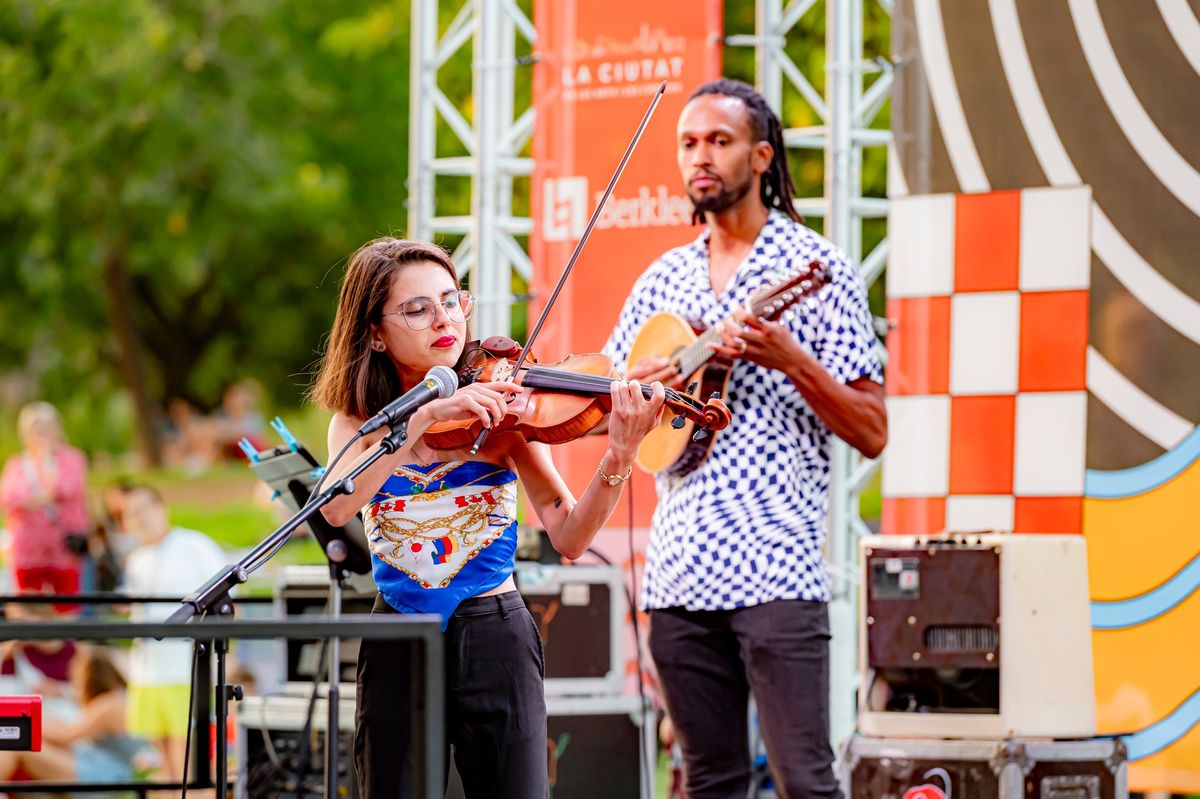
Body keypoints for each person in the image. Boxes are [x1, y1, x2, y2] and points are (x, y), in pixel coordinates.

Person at [602, 78, 888, 799]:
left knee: (806, 782)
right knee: (709, 782)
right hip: (678, 571)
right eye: (689, 143)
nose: (700, 157)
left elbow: (873, 429)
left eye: (720, 141)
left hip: (776, 566)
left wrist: (788, 357)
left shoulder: (813, 268)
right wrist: (643, 386)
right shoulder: (661, 276)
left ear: (762, 157)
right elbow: (614, 413)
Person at [310, 236, 665, 799]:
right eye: (417, 309)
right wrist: (426, 416)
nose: (443, 319)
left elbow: (570, 534)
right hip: (399, 631)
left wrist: (619, 455)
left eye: (452, 300)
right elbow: (335, 504)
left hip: (494, 630)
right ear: (374, 333)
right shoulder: (358, 421)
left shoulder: (503, 407)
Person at [120, 484, 226, 783]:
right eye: (131, 514)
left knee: (189, 760)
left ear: (161, 508)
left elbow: (227, 601)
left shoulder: (194, 546)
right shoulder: (135, 560)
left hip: (185, 669)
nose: (140, 519)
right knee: (162, 764)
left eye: (144, 509)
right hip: (146, 671)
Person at [0, 645, 149, 784]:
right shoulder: (116, 698)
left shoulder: (108, 705)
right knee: (22, 741)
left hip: (104, 773)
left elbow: (67, 736)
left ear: (90, 675)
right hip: (98, 763)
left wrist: (27, 724)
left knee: (17, 745)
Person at [0, 401, 89, 604]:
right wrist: (46, 494)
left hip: (64, 550)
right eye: (35, 427)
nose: (41, 433)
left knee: (66, 607)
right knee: (29, 611)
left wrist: (47, 462)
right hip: (27, 552)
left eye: (46, 426)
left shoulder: (72, 459)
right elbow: (8, 498)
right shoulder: (16, 464)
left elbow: (68, 488)